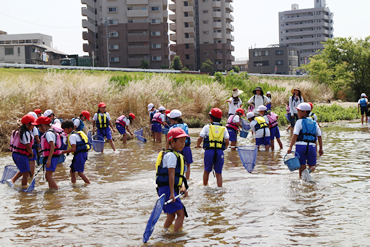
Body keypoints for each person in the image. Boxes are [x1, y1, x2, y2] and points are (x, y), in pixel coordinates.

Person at [156, 128, 189, 232]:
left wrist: (183, 188)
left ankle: (165, 233)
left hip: (168, 189)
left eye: (184, 141)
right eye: (180, 141)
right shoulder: (171, 156)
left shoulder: (177, 156)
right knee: (181, 213)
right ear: (171, 141)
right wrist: (171, 193)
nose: (183, 144)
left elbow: (179, 177)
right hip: (167, 189)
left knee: (171, 215)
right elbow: (171, 174)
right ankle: (175, 236)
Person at [287, 103, 323, 180]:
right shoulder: (314, 123)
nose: (297, 113)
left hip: (300, 146)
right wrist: (320, 148)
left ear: (304, 112)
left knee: (301, 165)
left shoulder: (299, 122)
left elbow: (295, 135)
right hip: (312, 146)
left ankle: (302, 182)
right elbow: (319, 136)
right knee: (313, 166)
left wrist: (290, 147)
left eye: (299, 111)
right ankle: (308, 171)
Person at [196, 108, 229, 187]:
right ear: (220, 119)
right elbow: (227, 141)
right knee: (219, 173)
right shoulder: (224, 128)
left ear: (211, 118)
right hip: (219, 152)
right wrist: (225, 147)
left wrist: (198, 145)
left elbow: (200, 138)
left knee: (206, 170)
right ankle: (220, 188)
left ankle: (205, 186)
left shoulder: (207, 127)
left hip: (209, 151)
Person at [7, 114, 38, 188]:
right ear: (27, 124)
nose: (33, 127)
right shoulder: (26, 133)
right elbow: (28, 146)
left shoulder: (19, 131)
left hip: (16, 154)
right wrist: (32, 153)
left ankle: (12, 181)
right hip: (20, 155)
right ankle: (23, 187)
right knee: (26, 172)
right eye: (32, 125)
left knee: (25, 170)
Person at [166, 110, 193, 180]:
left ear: (172, 120)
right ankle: (187, 179)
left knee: (177, 164)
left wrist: (166, 151)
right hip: (186, 147)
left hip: (177, 148)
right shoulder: (185, 125)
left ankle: (178, 178)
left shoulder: (171, 128)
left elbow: (168, 140)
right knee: (187, 164)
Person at [61, 120, 91, 184]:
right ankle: (73, 184)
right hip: (82, 153)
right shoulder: (76, 133)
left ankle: (89, 184)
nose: (64, 131)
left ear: (70, 128)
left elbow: (73, 149)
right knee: (72, 170)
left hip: (80, 154)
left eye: (64, 129)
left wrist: (62, 152)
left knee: (80, 173)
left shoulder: (72, 136)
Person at [37, 116, 61, 189]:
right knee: (48, 176)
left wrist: (49, 159)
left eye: (39, 126)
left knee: (48, 176)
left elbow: (52, 145)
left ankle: (57, 191)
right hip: (52, 156)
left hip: (52, 157)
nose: (38, 128)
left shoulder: (48, 133)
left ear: (43, 125)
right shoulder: (50, 132)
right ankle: (51, 191)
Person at [26, 112, 40, 177]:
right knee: (32, 162)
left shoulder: (23, 128)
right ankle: (31, 177)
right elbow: (37, 139)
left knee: (27, 163)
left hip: (24, 149)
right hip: (32, 148)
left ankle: (26, 176)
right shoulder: (34, 128)